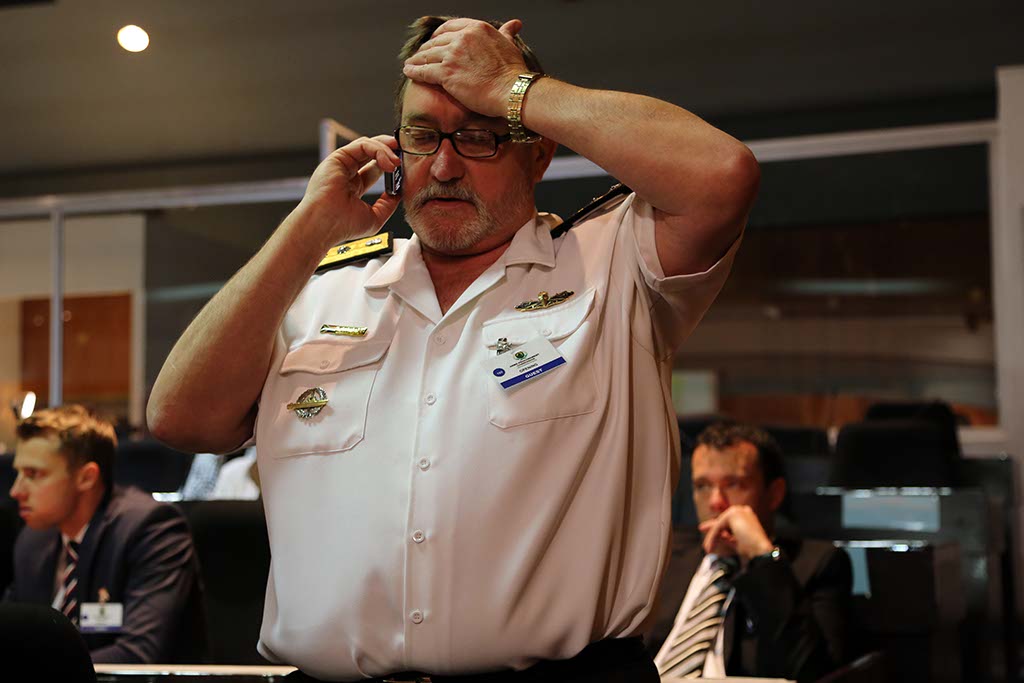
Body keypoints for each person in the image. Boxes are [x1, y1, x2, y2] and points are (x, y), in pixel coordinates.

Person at [147, 14, 759, 682]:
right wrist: (307, 231)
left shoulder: (612, 263)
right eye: (422, 136)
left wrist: (513, 88)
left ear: (538, 152)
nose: (443, 166)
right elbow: (181, 418)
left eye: (479, 136)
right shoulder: (321, 290)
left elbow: (721, 175)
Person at [649, 422, 852, 682]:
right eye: (702, 486)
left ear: (774, 494)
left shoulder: (816, 563)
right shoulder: (666, 553)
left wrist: (762, 557)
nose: (715, 502)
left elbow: (810, 671)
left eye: (734, 484)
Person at [5, 405, 206, 664]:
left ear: (86, 478)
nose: (16, 491)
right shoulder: (33, 541)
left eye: (33, 474)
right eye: (18, 473)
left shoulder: (151, 529)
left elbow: (138, 655)